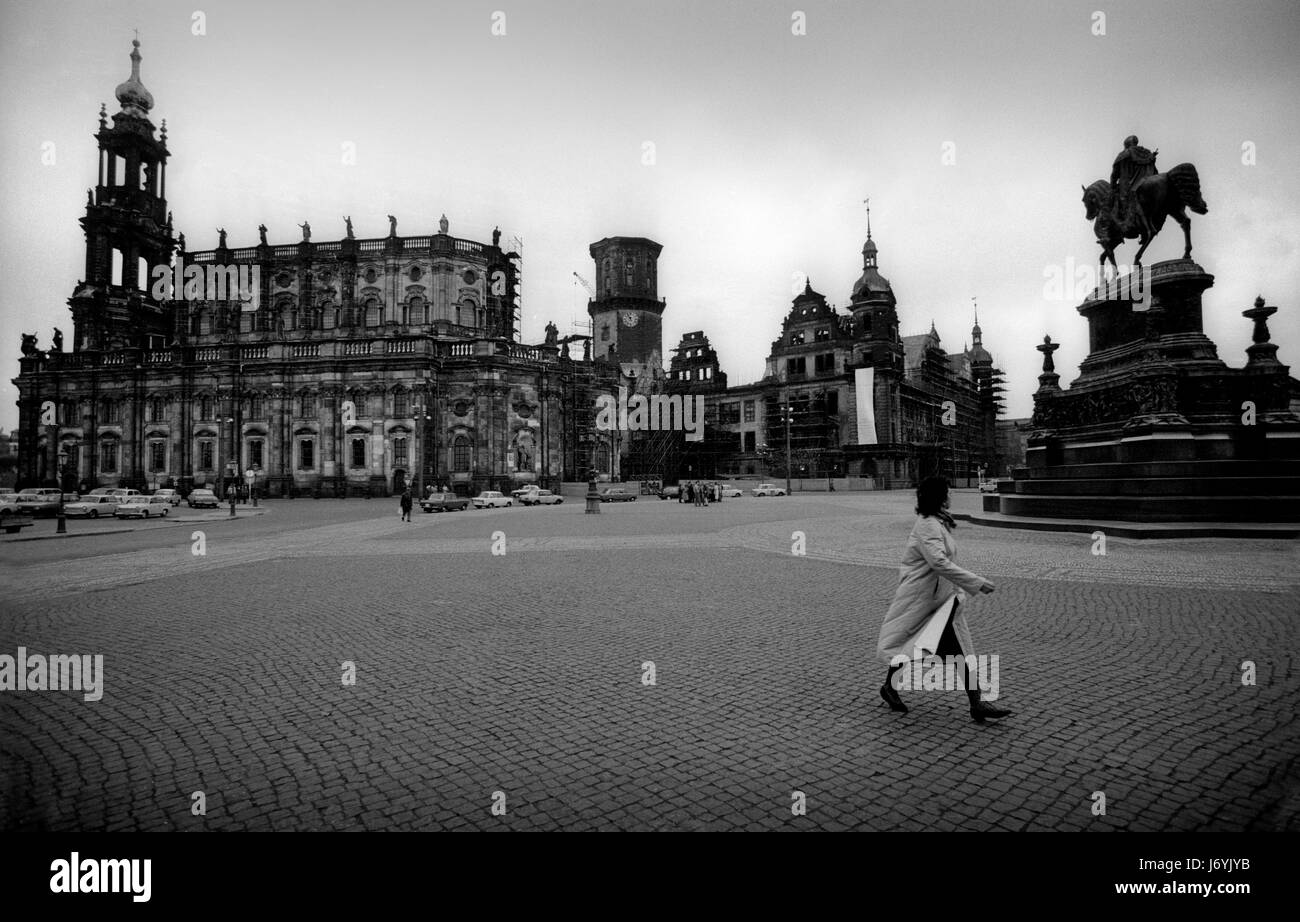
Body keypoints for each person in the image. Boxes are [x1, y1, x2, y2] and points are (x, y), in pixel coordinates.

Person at [876, 476, 1012, 723]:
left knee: (925, 646)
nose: (950, 496)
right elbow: (938, 562)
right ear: (939, 497)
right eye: (947, 492)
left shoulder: (936, 522)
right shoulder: (927, 524)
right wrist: (976, 583)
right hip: (924, 600)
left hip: (938, 600)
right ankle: (976, 703)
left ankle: (891, 687)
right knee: (943, 648)